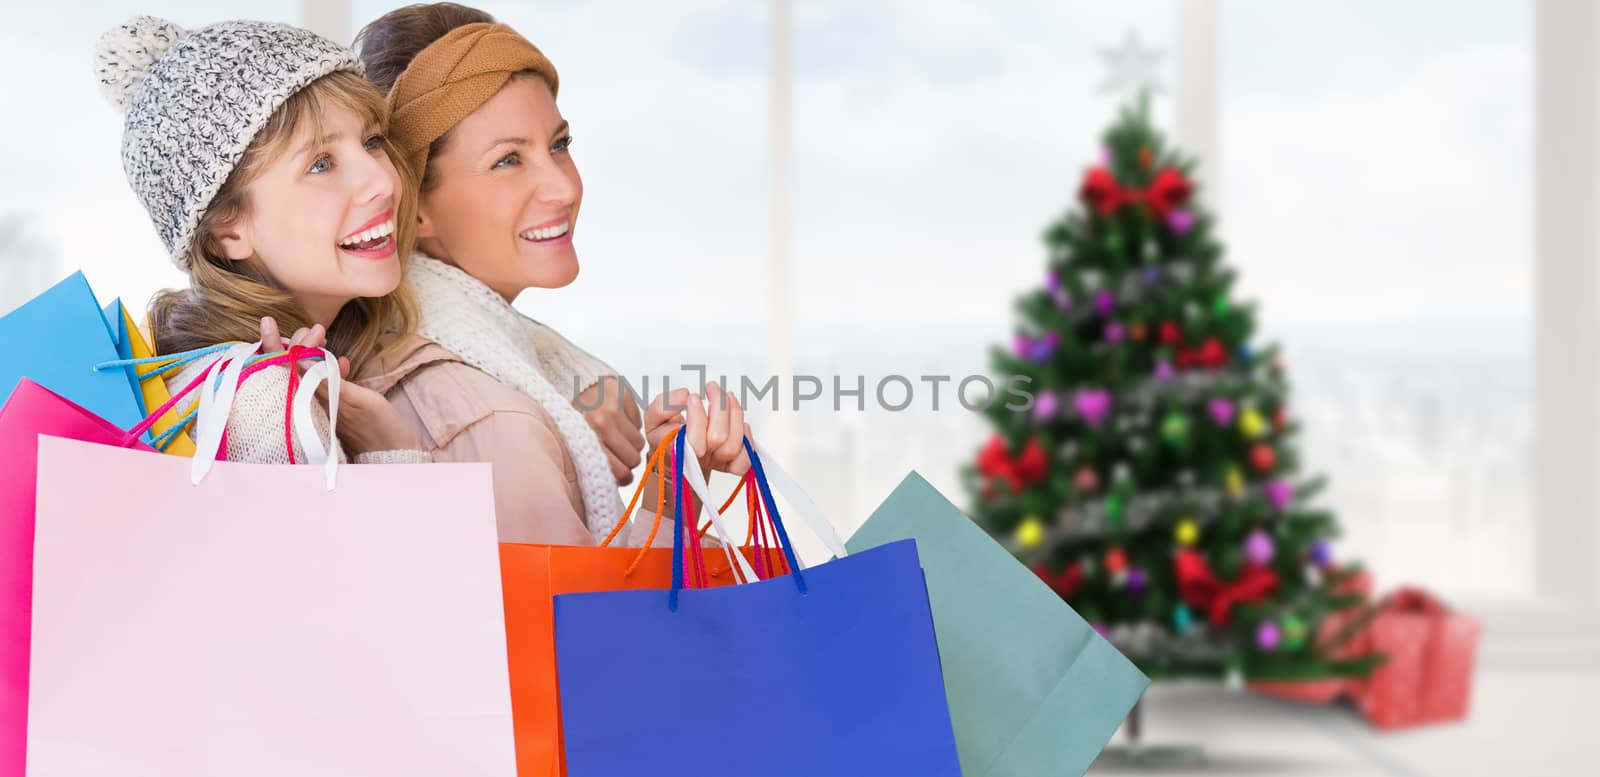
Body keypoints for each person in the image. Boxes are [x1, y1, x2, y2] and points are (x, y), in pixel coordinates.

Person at [352, 4, 753, 544]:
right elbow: (591, 629)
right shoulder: (490, 420)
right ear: (413, 208)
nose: (564, 188)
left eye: (559, 145)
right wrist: (669, 507)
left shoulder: (479, 366)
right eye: (508, 161)